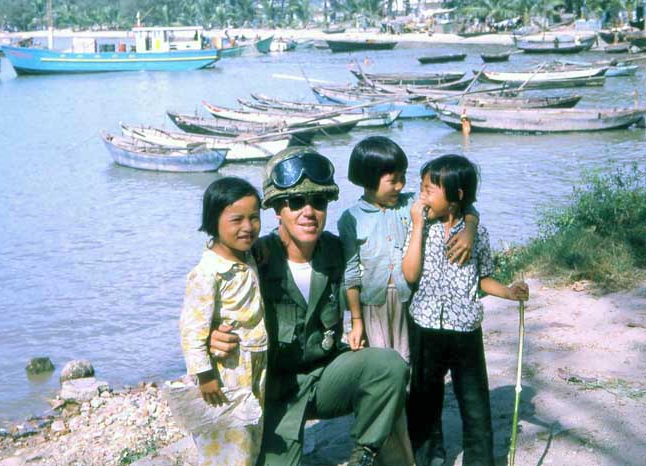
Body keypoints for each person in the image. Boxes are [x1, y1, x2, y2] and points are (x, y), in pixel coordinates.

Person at [210, 148, 409, 466]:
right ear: (276, 209)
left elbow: (395, 247)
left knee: (389, 366)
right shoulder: (253, 260)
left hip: (327, 377)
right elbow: (205, 300)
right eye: (296, 202)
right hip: (275, 392)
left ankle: (364, 454)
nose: (309, 212)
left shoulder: (336, 251)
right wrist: (212, 338)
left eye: (318, 202)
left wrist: (465, 219)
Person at [338, 137, 479, 465]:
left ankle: (429, 442)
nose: (402, 184)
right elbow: (350, 274)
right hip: (372, 309)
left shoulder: (412, 206)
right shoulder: (350, 218)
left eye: (403, 177)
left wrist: (470, 227)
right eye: (394, 179)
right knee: (378, 379)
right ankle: (378, 446)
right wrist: (356, 321)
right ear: (369, 179)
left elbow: (461, 204)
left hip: (410, 305)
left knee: (417, 377)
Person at [402, 155, 529, 466]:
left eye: (430, 190)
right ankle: (429, 452)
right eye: (422, 188)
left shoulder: (477, 235)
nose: (423, 196)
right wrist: (418, 226)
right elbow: (410, 275)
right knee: (423, 397)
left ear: (457, 196)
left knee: (474, 401)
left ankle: (479, 459)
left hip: (466, 331)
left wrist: (509, 292)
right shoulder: (420, 227)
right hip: (425, 326)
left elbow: (482, 278)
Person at [179, 177, 267, 466]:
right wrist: (203, 375)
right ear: (213, 222)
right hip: (228, 369)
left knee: (252, 430)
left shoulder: (248, 255)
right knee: (229, 437)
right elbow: (192, 329)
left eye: (254, 218)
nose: (248, 227)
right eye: (237, 219)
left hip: (256, 362)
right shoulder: (207, 273)